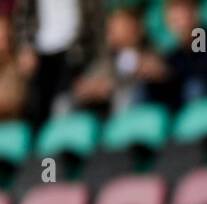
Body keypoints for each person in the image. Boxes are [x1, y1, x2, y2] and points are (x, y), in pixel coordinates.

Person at [11, 0, 105, 129]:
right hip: (40, 51)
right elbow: (22, 15)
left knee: (66, 108)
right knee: (38, 110)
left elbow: (96, 24)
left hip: (75, 52)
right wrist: (25, 46)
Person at [69, 4, 168, 116]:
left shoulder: (151, 50)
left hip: (146, 111)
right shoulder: (107, 60)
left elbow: (161, 71)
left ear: (136, 28)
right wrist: (95, 87)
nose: (114, 31)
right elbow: (81, 88)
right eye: (112, 27)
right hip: (109, 116)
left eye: (122, 26)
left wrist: (142, 68)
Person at [152, 0, 207, 111]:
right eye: (174, 20)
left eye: (182, 17)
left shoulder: (204, 39)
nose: (179, 25)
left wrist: (170, 72)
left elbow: (202, 70)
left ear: (195, 15)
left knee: (195, 86)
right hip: (186, 106)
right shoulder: (175, 53)